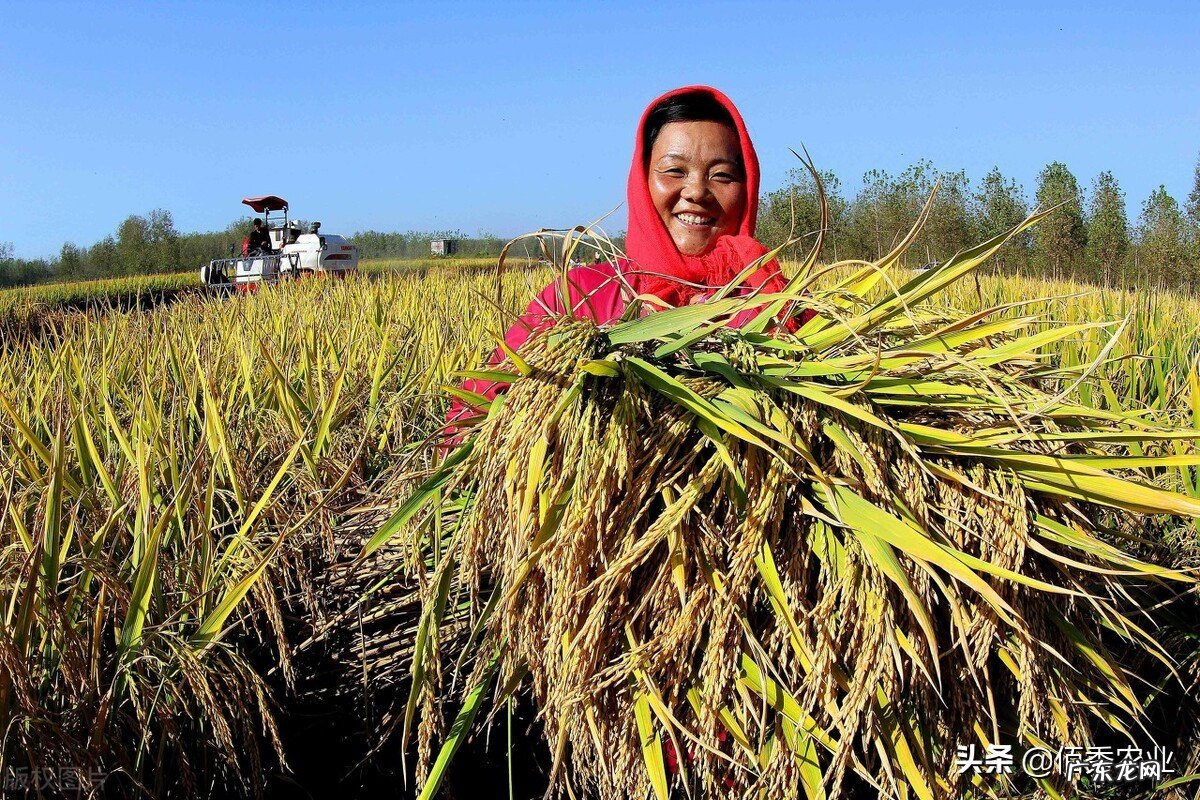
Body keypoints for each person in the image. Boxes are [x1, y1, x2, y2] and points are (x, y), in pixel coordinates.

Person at [445, 85, 812, 436]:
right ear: (642, 179)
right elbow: (471, 417)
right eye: (674, 170)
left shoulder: (781, 304)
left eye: (722, 175)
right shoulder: (579, 296)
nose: (697, 191)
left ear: (747, 188)